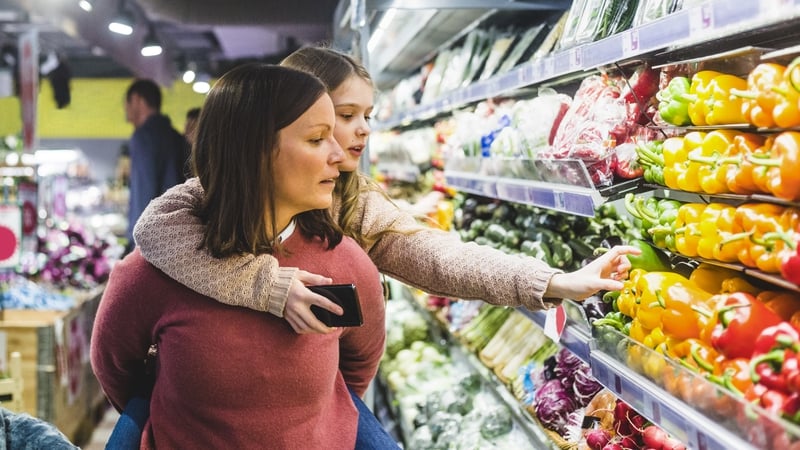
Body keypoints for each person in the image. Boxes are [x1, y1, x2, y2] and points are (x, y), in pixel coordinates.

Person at [133, 45, 639, 335]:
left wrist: (553, 281)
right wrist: (265, 284)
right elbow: (156, 230)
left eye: (365, 117)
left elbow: (434, 256)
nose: (360, 132)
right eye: (342, 117)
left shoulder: (351, 198)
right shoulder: (210, 199)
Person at [91, 64, 388, 449]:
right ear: (255, 152)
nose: (338, 154)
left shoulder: (345, 262)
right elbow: (115, 366)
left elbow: (357, 367)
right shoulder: (153, 271)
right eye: (317, 139)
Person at [122, 79, 188, 254]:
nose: (125, 110)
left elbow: (143, 191)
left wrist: (134, 245)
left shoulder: (143, 137)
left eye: (126, 103)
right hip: (176, 237)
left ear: (137, 100)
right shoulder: (175, 137)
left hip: (151, 244)